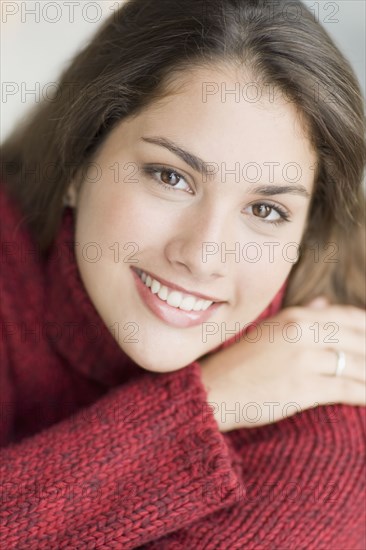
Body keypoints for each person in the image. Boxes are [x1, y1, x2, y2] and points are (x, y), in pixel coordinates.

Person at [1, 0, 365, 547]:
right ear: (79, 160)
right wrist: (204, 406)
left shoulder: (323, 447)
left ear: (303, 240)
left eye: (266, 211)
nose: (202, 255)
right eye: (170, 176)